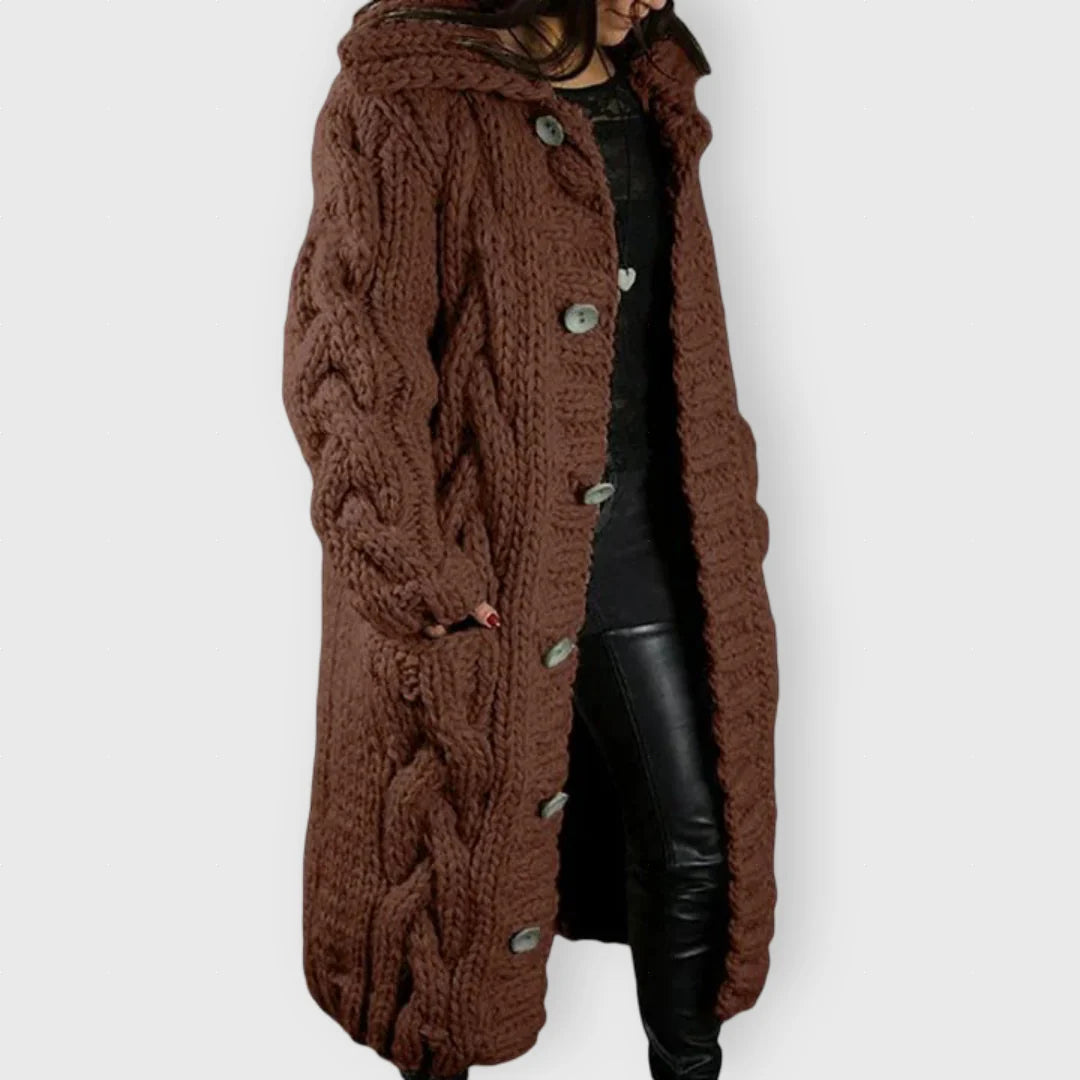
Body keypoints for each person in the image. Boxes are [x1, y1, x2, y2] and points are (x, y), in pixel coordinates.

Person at [282, 3, 780, 1079]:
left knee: (700, 840)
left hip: (658, 534)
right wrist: (417, 568)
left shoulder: (647, 83)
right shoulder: (406, 94)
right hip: (492, 556)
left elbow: (677, 329)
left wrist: (731, 500)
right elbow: (351, 360)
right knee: (458, 886)